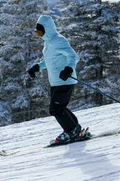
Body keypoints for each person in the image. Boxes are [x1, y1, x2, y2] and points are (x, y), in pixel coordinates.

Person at [27, 15, 85, 143]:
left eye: (40, 31)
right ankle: (75, 129)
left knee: (55, 109)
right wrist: (38, 67)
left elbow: (73, 56)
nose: (39, 34)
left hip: (65, 80)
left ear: (47, 29)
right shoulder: (48, 44)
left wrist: (68, 69)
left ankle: (71, 131)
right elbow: (49, 61)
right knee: (60, 107)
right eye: (37, 32)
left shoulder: (59, 40)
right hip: (56, 82)